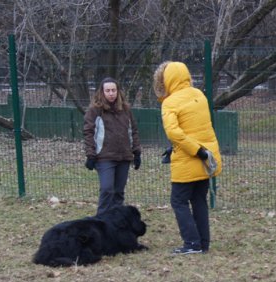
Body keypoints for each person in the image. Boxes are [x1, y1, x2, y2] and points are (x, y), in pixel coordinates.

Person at [153, 61, 222, 255]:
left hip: (190, 158)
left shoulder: (170, 102)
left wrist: (196, 150)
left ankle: (191, 243)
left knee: (178, 201)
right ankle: (203, 243)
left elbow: (174, 132)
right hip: (207, 156)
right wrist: (201, 151)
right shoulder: (199, 95)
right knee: (199, 199)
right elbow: (196, 127)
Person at [83, 78, 141, 215]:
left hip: (124, 156)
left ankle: (116, 223)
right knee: (107, 189)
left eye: (113, 90)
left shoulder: (126, 109)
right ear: (102, 92)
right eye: (107, 90)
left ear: (118, 91)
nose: (111, 93)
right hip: (104, 157)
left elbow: (133, 130)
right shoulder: (95, 110)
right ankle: (100, 220)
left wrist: (137, 153)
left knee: (119, 192)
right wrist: (90, 155)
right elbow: (88, 132)